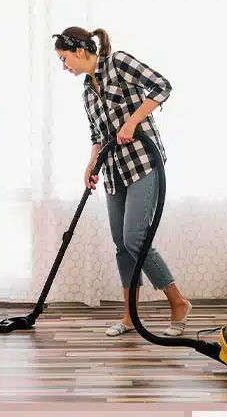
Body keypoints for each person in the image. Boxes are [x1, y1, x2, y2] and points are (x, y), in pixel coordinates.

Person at [52, 26, 191, 337]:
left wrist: (132, 121)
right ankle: (130, 316)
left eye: (64, 59)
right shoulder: (87, 92)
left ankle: (178, 302)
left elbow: (162, 86)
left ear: (80, 51)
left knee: (135, 239)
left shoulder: (119, 63)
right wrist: (91, 164)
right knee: (121, 247)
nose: (64, 66)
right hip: (114, 171)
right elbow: (97, 135)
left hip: (144, 163)